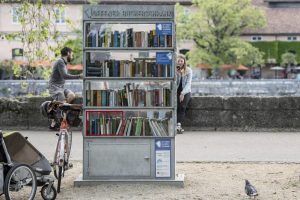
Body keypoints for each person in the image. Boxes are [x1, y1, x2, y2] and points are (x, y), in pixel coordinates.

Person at [48, 47, 82, 130]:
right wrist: (79, 76)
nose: (72, 56)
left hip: (61, 87)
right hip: (54, 87)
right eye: (72, 54)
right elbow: (65, 76)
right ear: (68, 53)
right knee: (62, 100)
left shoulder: (63, 63)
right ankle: (57, 121)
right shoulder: (60, 62)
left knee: (72, 96)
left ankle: (56, 108)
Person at [176, 54, 192, 133]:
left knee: (182, 107)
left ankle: (179, 125)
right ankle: (175, 125)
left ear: (184, 62)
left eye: (181, 61)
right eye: (178, 61)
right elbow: (173, 82)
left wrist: (182, 93)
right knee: (176, 107)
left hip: (185, 91)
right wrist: (177, 73)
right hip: (176, 91)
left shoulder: (188, 70)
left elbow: (188, 83)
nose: (180, 62)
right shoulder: (174, 70)